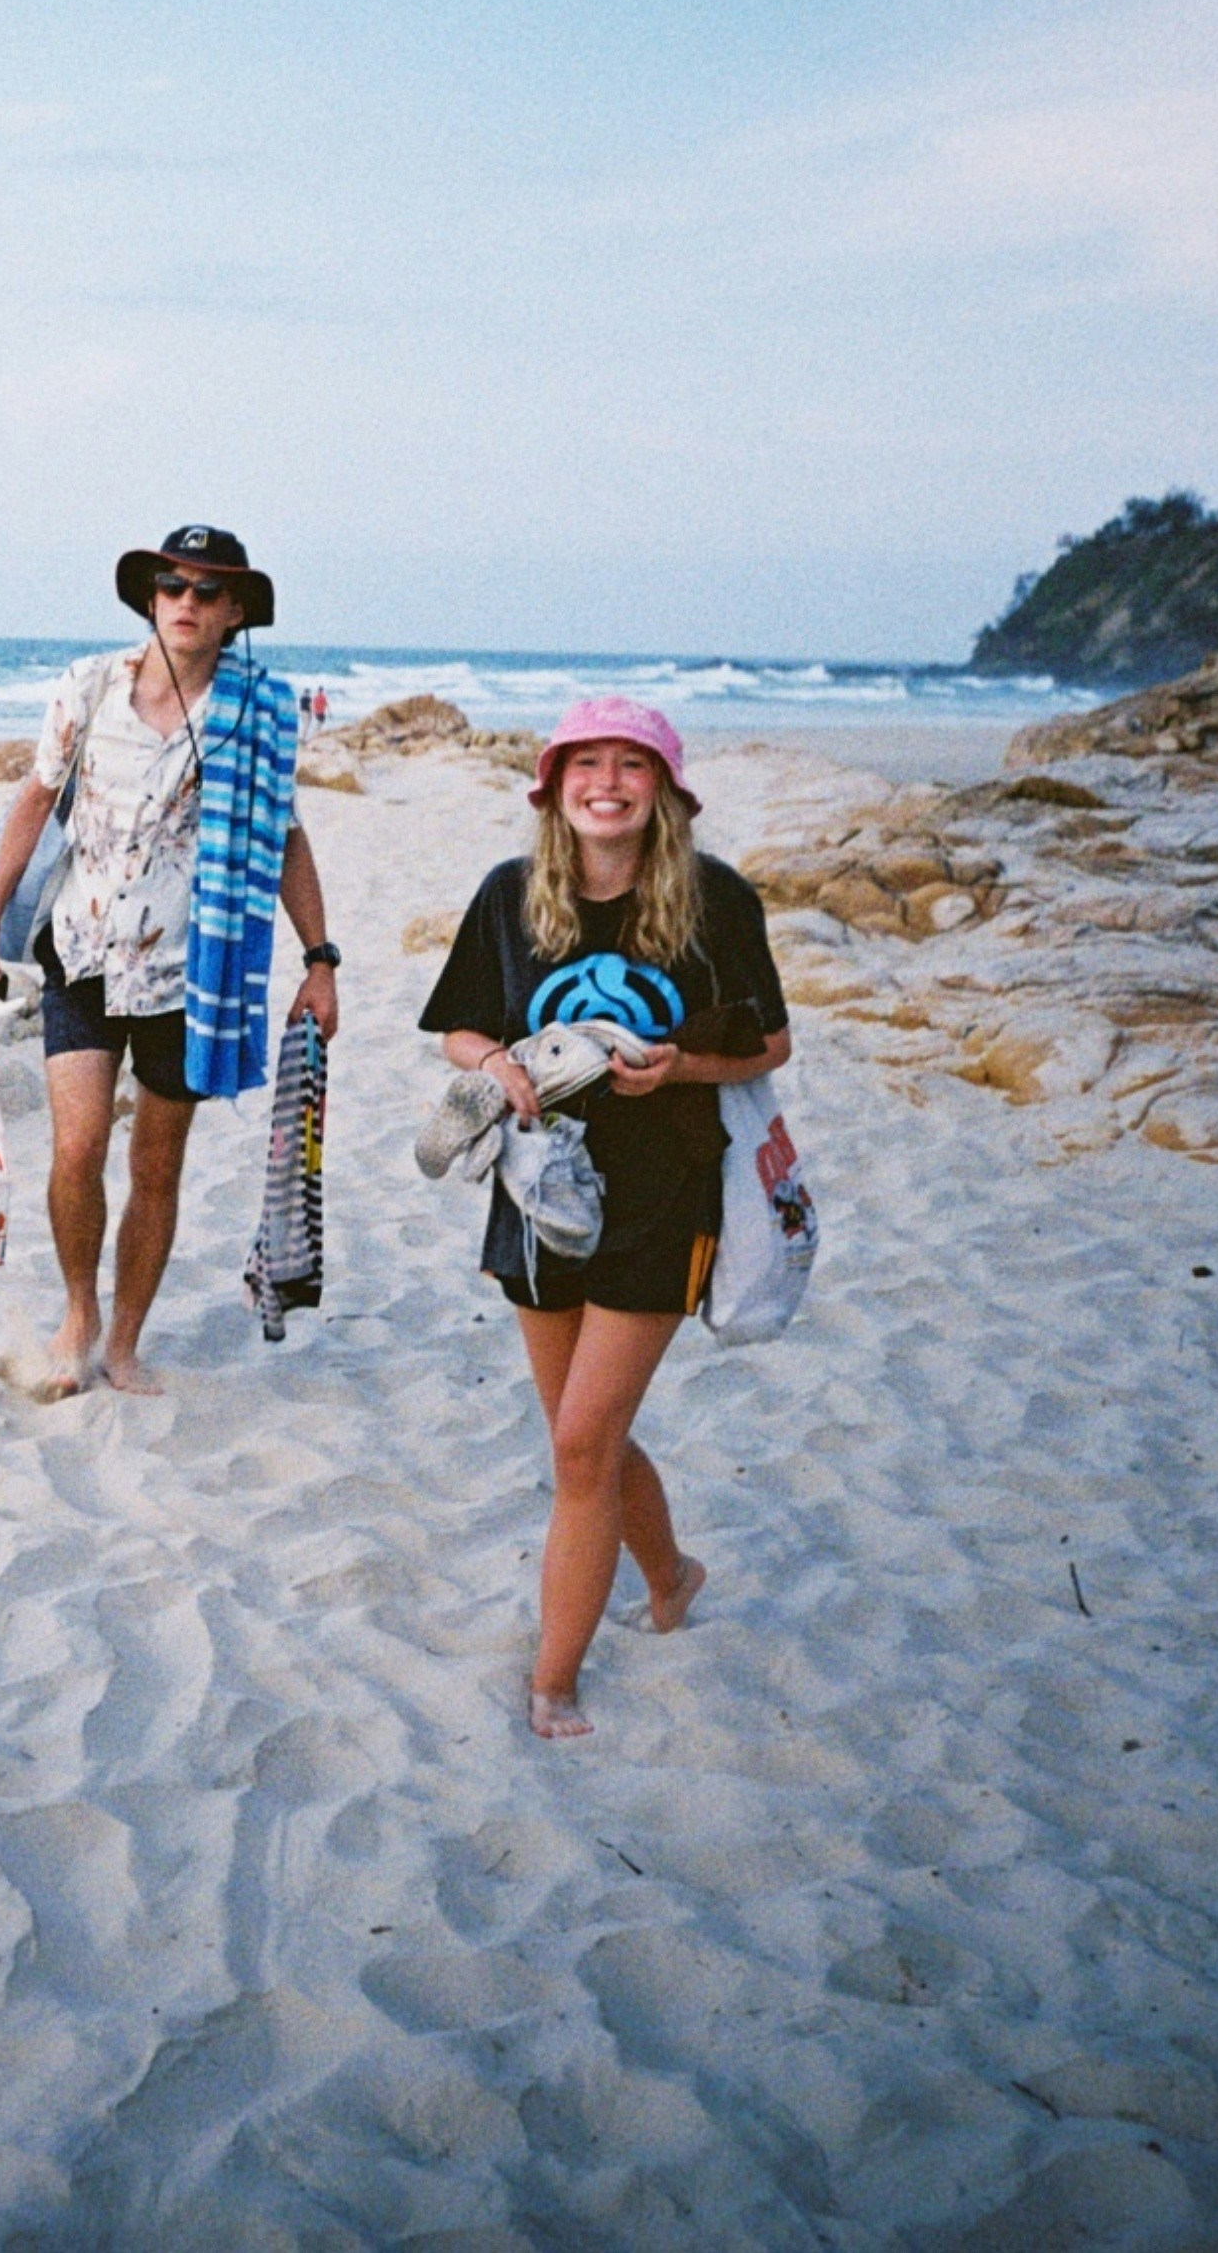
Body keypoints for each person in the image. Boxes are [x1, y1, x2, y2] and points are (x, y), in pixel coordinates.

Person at [413, 698, 790, 1740]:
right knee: (585, 1437)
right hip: (537, 1193)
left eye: (632, 765)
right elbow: (458, 1025)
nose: (608, 783)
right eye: (587, 764)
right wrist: (492, 1060)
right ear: (554, 785)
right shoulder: (510, 895)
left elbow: (770, 1045)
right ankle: (669, 1576)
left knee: (580, 1443)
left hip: (665, 1193)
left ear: (664, 788)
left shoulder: (715, 900)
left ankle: (553, 1677)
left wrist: (684, 1065)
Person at [0, 525, 337, 1396]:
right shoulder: (88, 688)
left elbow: (283, 837)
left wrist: (320, 961)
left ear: (235, 611)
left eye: (207, 591)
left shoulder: (258, 712)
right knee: (78, 1146)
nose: (187, 603)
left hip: (188, 972)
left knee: (155, 1165)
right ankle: (78, 1309)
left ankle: (123, 1340)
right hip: (83, 951)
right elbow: (33, 798)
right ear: (151, 597)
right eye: (172, 585)